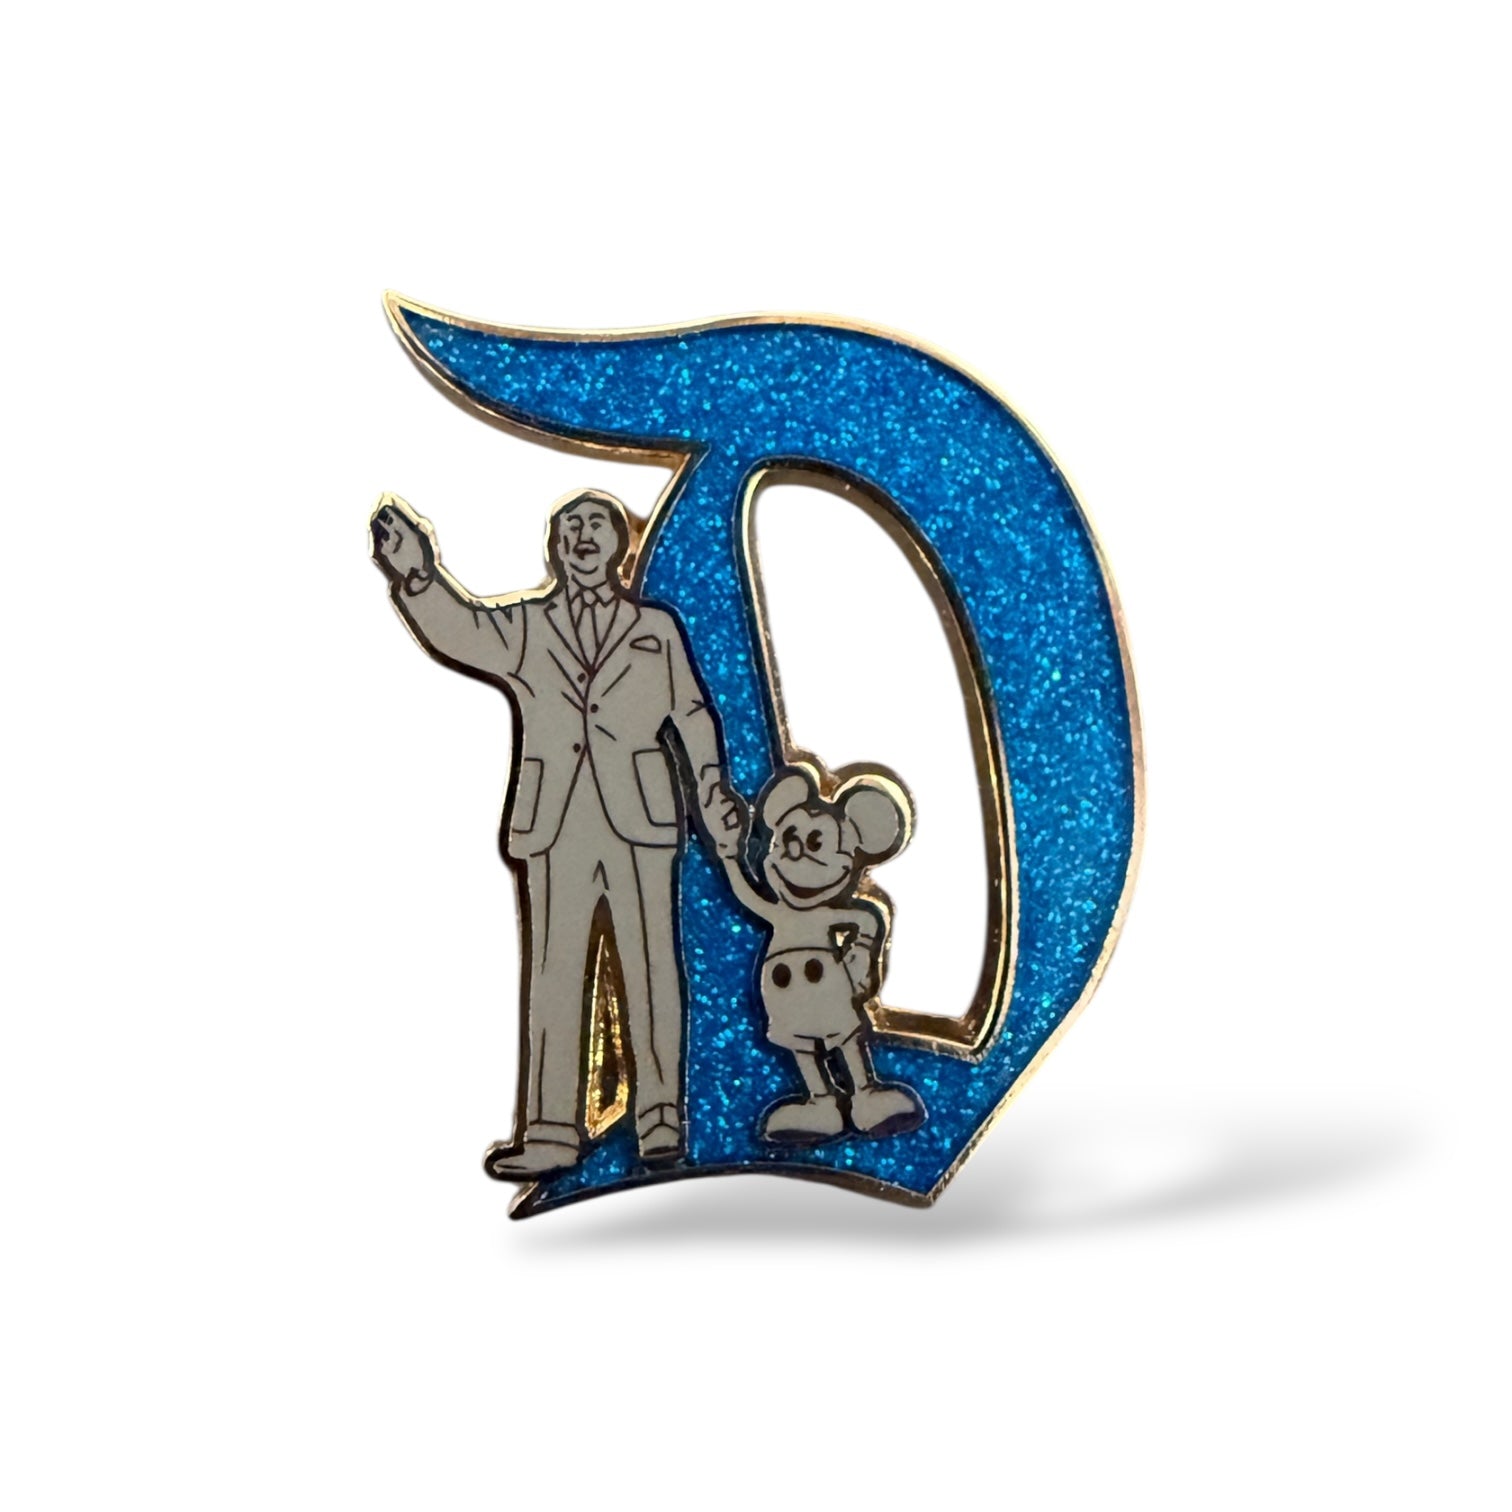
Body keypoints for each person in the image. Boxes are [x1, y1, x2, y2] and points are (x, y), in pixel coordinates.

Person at [371, 488, 742, 1177]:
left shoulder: (655, 628)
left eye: (596, 524)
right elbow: (463, 631)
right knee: (554, 972)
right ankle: (549, 1130)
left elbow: (692, 712)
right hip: (557, 821)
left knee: (652, 968)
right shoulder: (528, 626)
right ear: (555, 548)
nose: (582, 536)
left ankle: (661, 1119)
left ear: (620, 544)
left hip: (641, 817)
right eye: (570, 527)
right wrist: (418, 575)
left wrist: (712, 785)